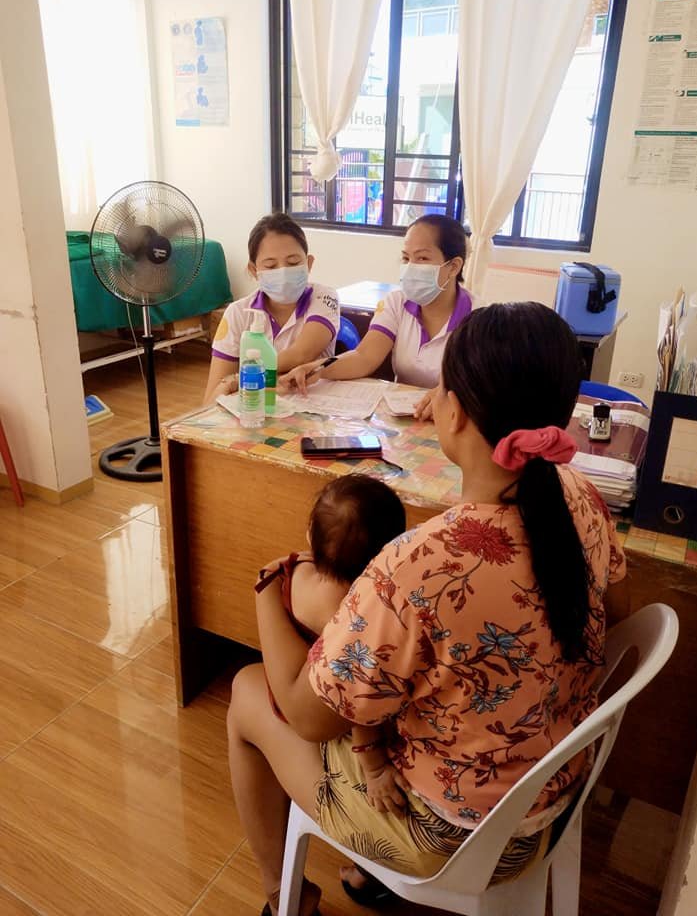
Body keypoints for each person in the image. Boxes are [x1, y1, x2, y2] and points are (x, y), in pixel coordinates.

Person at [226, 302, 626, 916]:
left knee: (248, 690)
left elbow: (309, 718)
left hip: (448, 838)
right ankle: (366, 879)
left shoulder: (418, 566)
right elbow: (614, 605)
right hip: (550, 797)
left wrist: (268, 591)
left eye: (440, 387)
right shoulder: (580, 496)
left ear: (455, 412)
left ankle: (287, 898)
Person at [255, 474, 408, 821]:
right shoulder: (350, 615)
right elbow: (357, 702)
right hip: (323, 709)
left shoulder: (295, 569)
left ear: (311, 535)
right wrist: (373, 768)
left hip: (286, 686)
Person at [279, 214, 477, 403]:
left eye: (422, 258)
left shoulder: (478, 318)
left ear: (454, 266)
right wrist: (316, 368)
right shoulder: (397, 303)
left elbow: (478, 386)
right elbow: (364, 356)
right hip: (406, 414)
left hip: (454, 415)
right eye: (406, 258)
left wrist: (442, 397)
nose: (410, 267)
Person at [203, 213, 339, 404]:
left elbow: (302, 354)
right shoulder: (237, 313)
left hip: (311, 408)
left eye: (293, 263)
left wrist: (241, 377)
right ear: (254, 270)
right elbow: (212, 398)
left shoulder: (324, 297)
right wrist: (229, 384)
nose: (283, 272)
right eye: (271, 266)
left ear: (308, 263)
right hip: (254, 411)